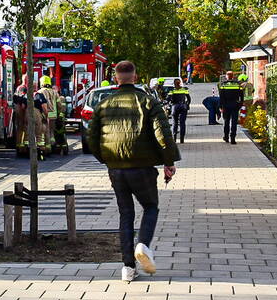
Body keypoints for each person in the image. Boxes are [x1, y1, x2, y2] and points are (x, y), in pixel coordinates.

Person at [87, 60, 180, 283]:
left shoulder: (103, 105)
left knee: (125, 214)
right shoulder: (149, 102)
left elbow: (92, 138)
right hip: (143, 168)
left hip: (116, 169)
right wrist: (169, 162)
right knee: (150, 207)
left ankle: (127, 268)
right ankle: (143, 245)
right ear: (135, 77)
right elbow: (163, 135)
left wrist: (106, 159)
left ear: (116, 78)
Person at [39, 75, 68, 155]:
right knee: (52, 132)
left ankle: (47, 148)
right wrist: (60, 114)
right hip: (53, 115)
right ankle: (52, 146)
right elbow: (59, 104)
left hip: (44, 114)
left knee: (45, 131)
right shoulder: (54, 92)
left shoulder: (40, 92)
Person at [218, 71, 244, 144]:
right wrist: (240, 104)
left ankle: (226, 137)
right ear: (233, 76)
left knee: (226, 122)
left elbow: (221, 97)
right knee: (234, 122)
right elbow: (241, 96)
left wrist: (220, 106)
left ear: (226, 76)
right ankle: (233, 138)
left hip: (226, 106)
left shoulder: (223, 85)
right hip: (235, 105)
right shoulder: (238, 85)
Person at [167, 78, 191, 143]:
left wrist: (168, 104)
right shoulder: (184, 89)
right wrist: (187, 105)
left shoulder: (172, 90)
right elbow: (189, 99)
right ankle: (182, 139)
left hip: (175, 107)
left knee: (175, 123)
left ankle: (174, 139)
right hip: (183, 107)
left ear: (174, 83)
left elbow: (168, 99)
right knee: (182, 123)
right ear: (180, 82)